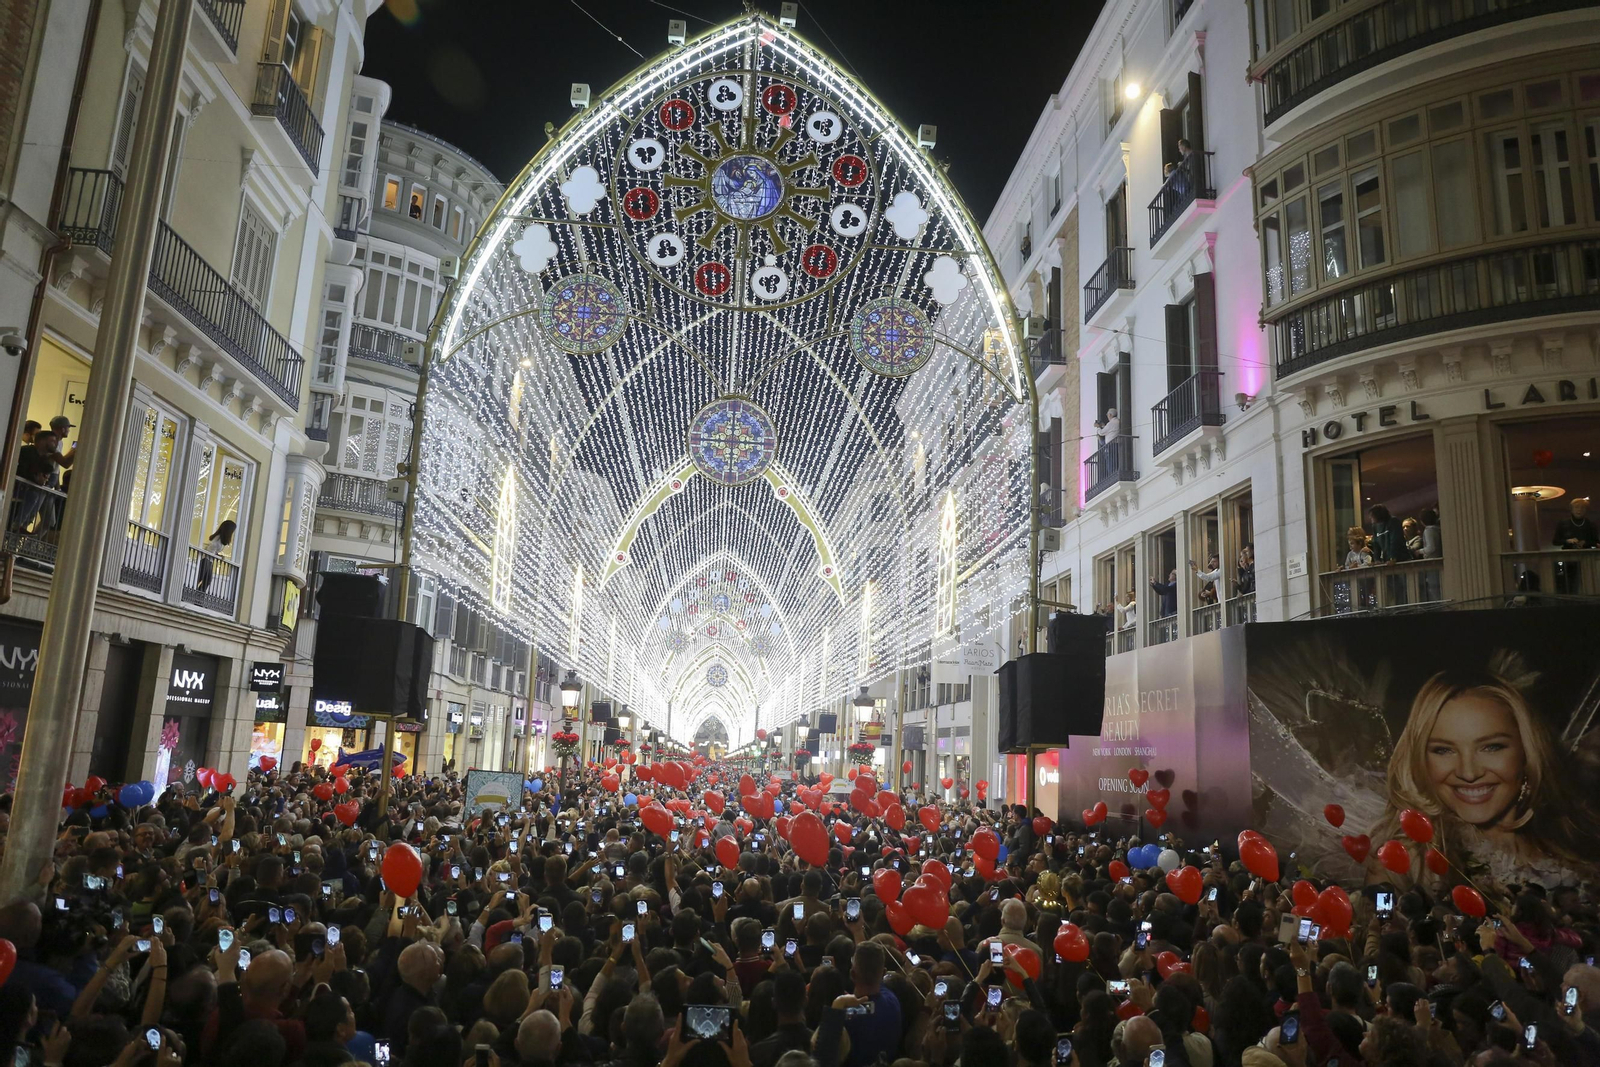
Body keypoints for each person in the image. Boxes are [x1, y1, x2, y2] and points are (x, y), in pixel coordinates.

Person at [1375, 660, 1599, 886]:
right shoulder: (1403, 865)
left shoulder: (1579, 848)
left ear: (1526, 752)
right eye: (1443, 750)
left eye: (1491, 747)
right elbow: (1379, 906)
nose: (1469, 773)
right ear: (1420, 760)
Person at [195, 520, 237, 594]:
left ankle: (198, 595)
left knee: (207, 580)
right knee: (201, 578)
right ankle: (195, 594)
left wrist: (218, 555)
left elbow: (213, 550)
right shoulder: (218, 538)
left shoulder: (221, 539)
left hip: (209, 561)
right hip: (206, 560)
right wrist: (216, 555)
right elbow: (211, 548)